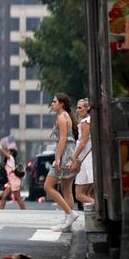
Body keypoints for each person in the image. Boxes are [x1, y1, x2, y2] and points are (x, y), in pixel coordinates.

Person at [46, 93, 80, 232]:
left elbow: (63, 139)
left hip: (65, 153)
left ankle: (70, 214)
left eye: (54, 102)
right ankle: (68, 221)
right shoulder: (66, 115)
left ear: (61, 103)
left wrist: (58, 158)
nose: (52, 104)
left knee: (48, 186)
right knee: (66, 189)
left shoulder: (62, 117)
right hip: (70, 152)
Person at [70, 98, 94, 205]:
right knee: (88, 194)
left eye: (80, 107)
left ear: (88, 108)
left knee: (79, 195)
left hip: (85, 161)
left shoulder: (86, 122)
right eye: (77, 107)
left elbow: (83, 142)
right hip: (88, 159)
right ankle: (93, 218)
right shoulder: (90, 120)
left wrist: (73, 157)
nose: (77, 110)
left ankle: (100, 210)